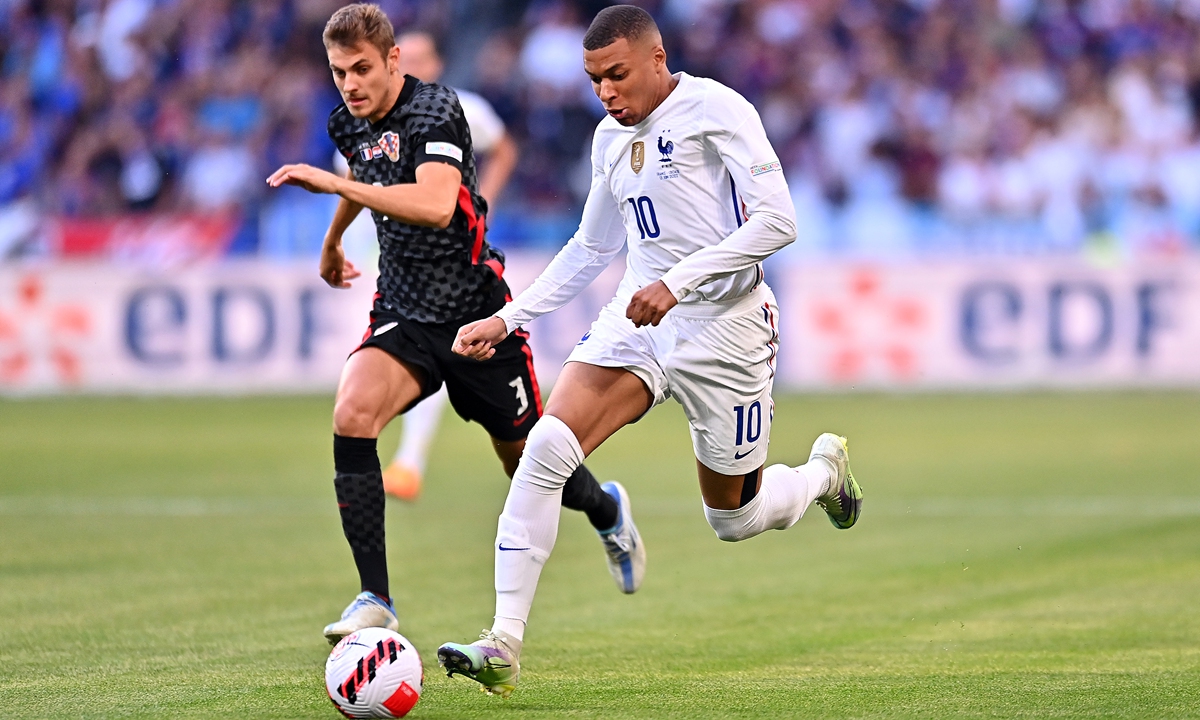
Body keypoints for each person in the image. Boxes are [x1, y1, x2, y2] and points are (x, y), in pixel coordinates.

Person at [435, 5, 863, 698]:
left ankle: (821, 473)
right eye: (594, 79)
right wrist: (507, 316)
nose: (605, 92)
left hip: (728, 328)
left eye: (617, 75)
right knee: (546, 449)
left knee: (735, 517)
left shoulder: (717, 108)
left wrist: (681, 279)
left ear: (657, 59)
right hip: (641, 319)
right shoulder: (609, 139)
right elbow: (592, 247)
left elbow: (780, 219)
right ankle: (503, 641)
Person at [266, 3, 644, 645]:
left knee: (527, 462)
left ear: (392, 60)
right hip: (404, 310)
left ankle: (607, 509)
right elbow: (367, 171)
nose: (350, 84)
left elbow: (438, 205)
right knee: (352, 415)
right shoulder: (347, 120)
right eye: (338, 72)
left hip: (479, 320)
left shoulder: (439, 110)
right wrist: (333, 241)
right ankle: (375, 598)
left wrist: (335, 191)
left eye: (362, 68)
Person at [380, 29, 520, 503]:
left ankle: (409, 462)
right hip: (398, 251)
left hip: (453, 250)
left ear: (438, 65)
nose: (412, 66)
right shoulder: (377, 115)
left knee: (439, 342)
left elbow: (504, 149)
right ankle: (410, 459)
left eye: (421, 57)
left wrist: (486, 202)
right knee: (426, 345)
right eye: (404, 58)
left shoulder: (463, 109)